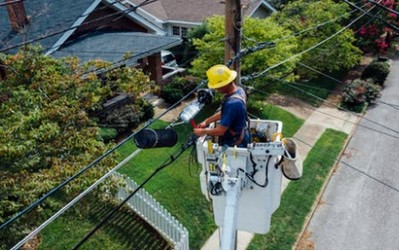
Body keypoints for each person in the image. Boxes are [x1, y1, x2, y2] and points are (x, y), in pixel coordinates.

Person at [193, 64, 250, 147]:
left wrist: (203, 132)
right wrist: (207, 121)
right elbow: (224, 113)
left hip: (234, 144)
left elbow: (220, 131)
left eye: (217, 87)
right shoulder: (239, 90)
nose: (216, 89)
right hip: (241, 135)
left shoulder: (232, 104)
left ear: (225, 84)